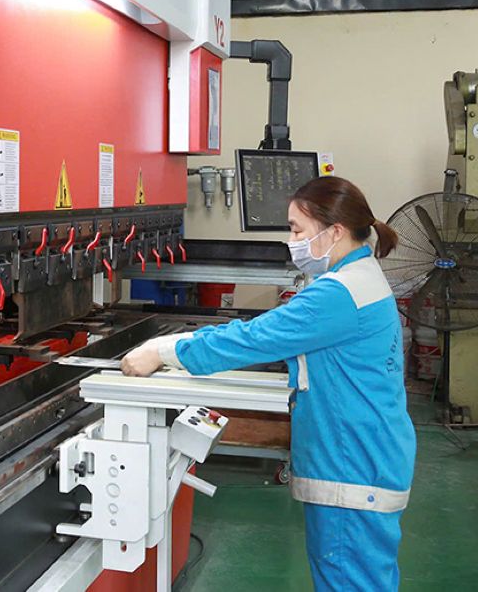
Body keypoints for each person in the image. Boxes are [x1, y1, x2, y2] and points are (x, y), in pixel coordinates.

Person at [121, 176, 416, 591]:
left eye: (297, 230)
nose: (291, 241)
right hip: (372, 455)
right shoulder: (362, 275)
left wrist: (164, 351)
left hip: (352, 467)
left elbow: (253, 338)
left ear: (334, 231)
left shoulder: (339, 293)